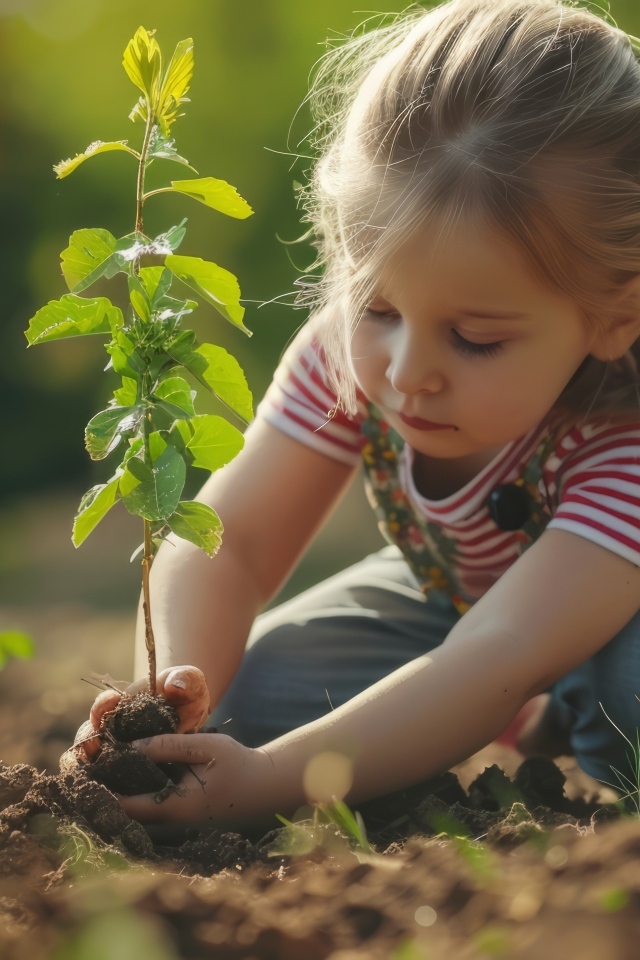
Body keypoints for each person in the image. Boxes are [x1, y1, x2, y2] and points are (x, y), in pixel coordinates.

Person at [82, 0, 640, 827]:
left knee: (630, 704)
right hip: (458, 604)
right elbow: (231, 542)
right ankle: (543, 711)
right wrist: (171, 701)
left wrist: (270, 783)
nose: (408, 372)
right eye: (376, 307)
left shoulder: (620, 443)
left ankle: (583, 717)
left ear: (616, 316)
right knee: (258, 701)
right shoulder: (349, 354)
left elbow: (500, 651)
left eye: (475, 339)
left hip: (572, 621)